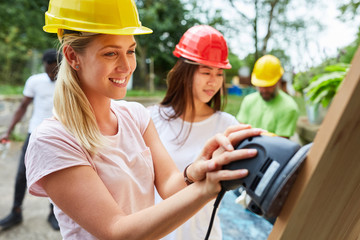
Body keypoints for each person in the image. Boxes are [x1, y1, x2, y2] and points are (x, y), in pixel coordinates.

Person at [24, 1, 263, 239]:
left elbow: (170, 185)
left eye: (130, 50)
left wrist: (196, 169)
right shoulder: (53, 140)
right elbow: (117, 231)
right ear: (72, 56)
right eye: (110, 53)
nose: (127, 66)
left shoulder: (135, 116)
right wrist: (207, 187)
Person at [148, 25, 242, 240]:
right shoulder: (151, 119)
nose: (213, 81)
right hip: (157, 234)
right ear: (184, 72)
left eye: (219, 74)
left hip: (204, 234)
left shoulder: (227, 126)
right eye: (206, 72)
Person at [0, 49, 60, 231]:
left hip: (58, 135)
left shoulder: (68, 82)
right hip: (34, 134)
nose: (51, 74)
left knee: (56, 176)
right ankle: (16, 212)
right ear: (44, 65)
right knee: (21, 174)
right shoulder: (35, 81)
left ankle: (54, 213)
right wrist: (8, 131)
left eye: (55, 70)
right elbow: (23, 106)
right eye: (49, 69)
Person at [236, 55, 299, 138]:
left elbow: (281, 144)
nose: (264, 90)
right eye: (260, 85)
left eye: (268, 85)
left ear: (278, 80)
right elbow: (239, 131)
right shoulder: (248, 100)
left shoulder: (289, 107)